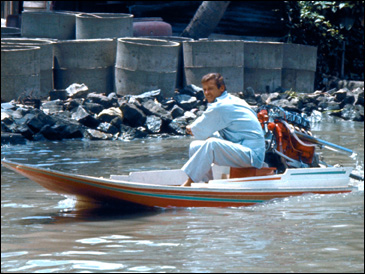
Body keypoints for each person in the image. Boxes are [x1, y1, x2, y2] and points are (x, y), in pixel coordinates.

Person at [181, 73, 265, 186]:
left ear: (222, 88)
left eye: (210, 89)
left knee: (211, 143)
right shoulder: (231, 100)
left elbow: (198, 129)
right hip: (240, 146)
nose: (206, 93)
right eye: (204, 89)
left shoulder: (222, 106)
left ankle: (189, 183)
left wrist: (190, 128)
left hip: (252, 155)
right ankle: (206, 183)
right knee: (195, 146)